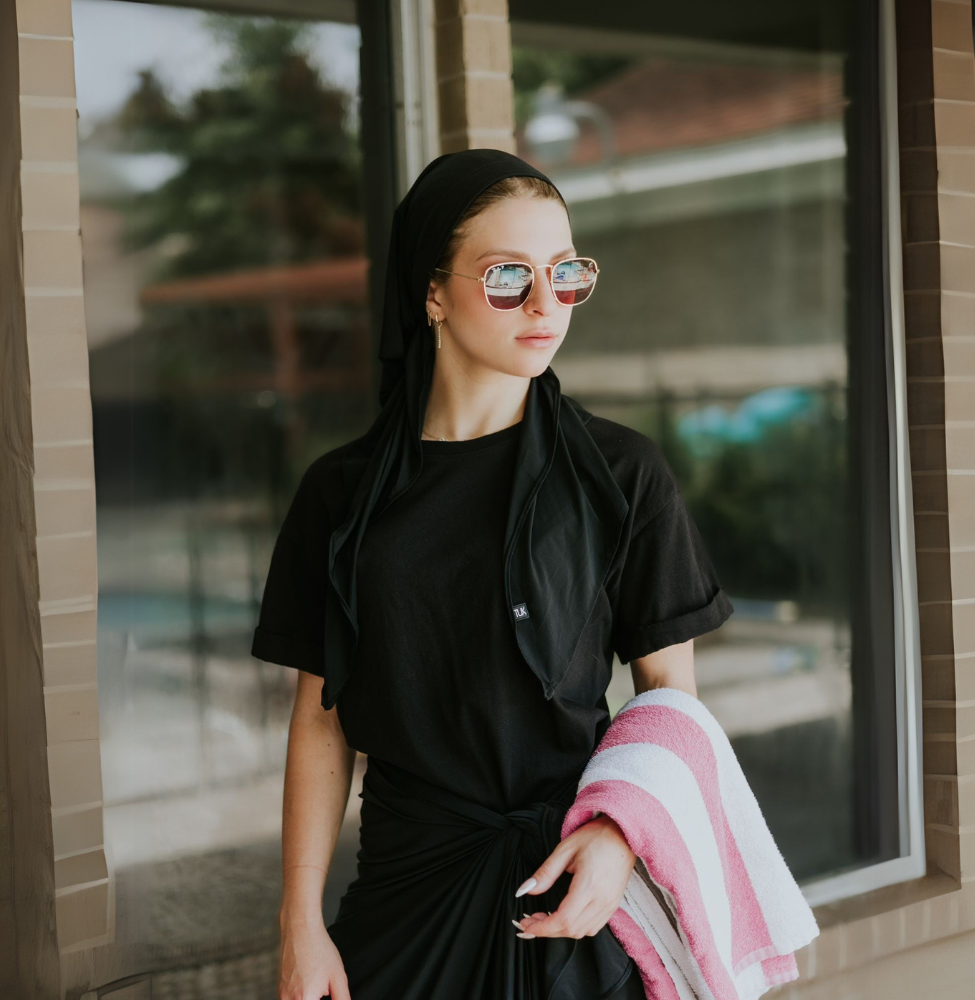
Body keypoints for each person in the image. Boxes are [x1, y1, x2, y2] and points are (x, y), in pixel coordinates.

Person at [252, 149, 734, 1000]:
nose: (547, 304)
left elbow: (670, 701)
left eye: (566, 273)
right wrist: (299, 923)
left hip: (577, 891)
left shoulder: (622, 475)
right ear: (432, 292)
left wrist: (622, 836)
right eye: (509, 275)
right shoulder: (343, 495)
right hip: (406, 895)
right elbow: (321, 722)